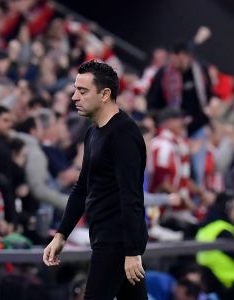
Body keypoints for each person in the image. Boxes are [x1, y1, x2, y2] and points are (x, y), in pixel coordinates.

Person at [43, 60, 148, 299]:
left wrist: (131, 251)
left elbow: (131, 196)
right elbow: (82, 188)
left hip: (117, 242)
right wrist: (61, 235)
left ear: (105, 94)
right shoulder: (93, 132)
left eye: (82, 91)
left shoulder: (123, 134)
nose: (74, 98)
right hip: (104, 237)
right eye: (75, 90)